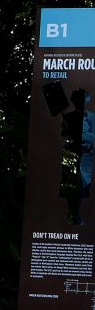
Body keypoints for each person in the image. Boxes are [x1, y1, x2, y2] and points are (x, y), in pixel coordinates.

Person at [62, 89, 90, 226]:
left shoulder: (88, 117)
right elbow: (64, 134)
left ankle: (75, 214)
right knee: (72, 183)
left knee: (77, 184)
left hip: (80, 153)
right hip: (72, 152)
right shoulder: (70, 117)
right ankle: (73, 214)